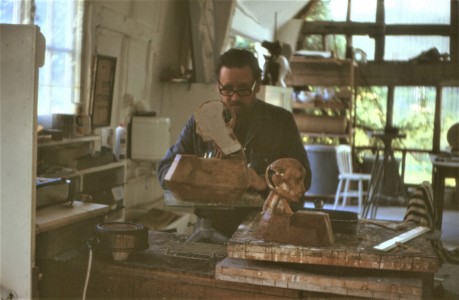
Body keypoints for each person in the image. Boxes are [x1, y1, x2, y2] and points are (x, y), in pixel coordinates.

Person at [157, 48, 311, 238]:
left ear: (257, 86)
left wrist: (264, 181)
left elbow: (305, 177)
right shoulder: (200, 122)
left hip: (265, 228)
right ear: (217, 86)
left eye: (244, 89)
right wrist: (195, 174)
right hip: (211, 229)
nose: (235, 97)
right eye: (228, 89)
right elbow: (164, 168)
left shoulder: (281, 122)